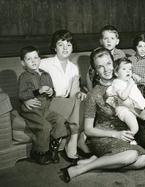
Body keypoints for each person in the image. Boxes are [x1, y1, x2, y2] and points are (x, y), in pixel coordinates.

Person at [60, 47, 145, 183]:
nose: (106, 69)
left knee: (143, 160)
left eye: (108, 63)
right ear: (95, 71)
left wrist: (126, 102)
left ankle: (99, 161)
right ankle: (81, 169)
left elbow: (143, 116)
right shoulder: (93, 95)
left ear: (113, 63)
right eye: (100, 67)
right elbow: (89, 130)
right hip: (103, 137)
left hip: (124, 136)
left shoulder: (124, 83)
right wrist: (115, 134)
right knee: (131, 156)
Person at [32, 30, 87, 161]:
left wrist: (80, 94)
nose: (65, 48)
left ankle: (77, 140)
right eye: (61, 44)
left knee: (85, 100)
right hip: (48, 102)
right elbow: (31, 82)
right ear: (54, 47)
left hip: (65, 102)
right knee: (77, 105)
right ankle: (73, 143)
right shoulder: (44, 63)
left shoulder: (73, 67)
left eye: (68, 44)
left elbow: (74, 92)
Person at [18, 46, 78, 165]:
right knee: (44, 126)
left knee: (60, 120)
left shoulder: (45, 74)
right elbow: (21, 95)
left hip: (45, 108)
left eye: (35, 57)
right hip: (31, 109)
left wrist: (51, 92)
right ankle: (39, 152)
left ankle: (53, 149)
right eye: (29, 59)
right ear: (23, 63)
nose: (33, 61)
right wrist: (37, 92)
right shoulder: (24, 76)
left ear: (40, 59)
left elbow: (52, 91)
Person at [106, 57, 145, 145]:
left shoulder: (127, 81)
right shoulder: (118, 83)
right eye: (124, 69)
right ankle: (125, 140)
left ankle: (128, 139)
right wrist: (130, 85)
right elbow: (123, 97)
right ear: (116, 73)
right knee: (134, 128)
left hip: (130, 109)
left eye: (130, 69)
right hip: (124, 110)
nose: (128, 71)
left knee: (135, 126)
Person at [86, 25, 126, 91]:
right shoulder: (97, 54)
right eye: (106, 38)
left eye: (112, 38)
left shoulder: (120, 54)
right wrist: (90, 91)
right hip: (100, 85)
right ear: (101, 41)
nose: (109, 41)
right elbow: (89, 75)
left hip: (116, 86)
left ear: (117, 41)